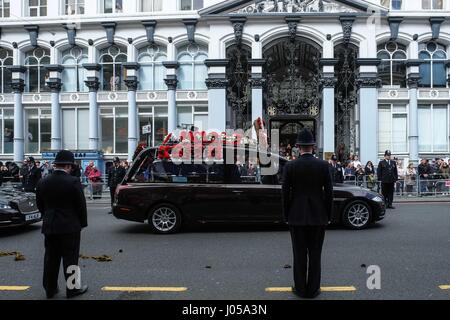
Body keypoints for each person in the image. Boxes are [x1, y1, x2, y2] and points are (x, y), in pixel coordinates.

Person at [282, 128, 333, 299]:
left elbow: (285, 194)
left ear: (298, 146)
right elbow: (329, 193)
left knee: (299, 254)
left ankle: (300, 289)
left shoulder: (290, 166)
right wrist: (328, 215)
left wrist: (286, 215)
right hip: (318, 216)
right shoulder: (323, 165)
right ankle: (313, 289)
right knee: (315, 254)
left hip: (296, 216)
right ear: (313, 146)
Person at [36, 150, 88, 299]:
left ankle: (50, 289)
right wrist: (82, 224)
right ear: (68, 166)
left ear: (55, 164)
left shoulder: (43, 181)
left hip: (50, 225)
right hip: (69, 226)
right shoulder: (73, 182)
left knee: (50, 258)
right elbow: (81, 206)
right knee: (70, 259)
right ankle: (72, 289)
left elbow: (40, 205)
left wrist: (47, 217)